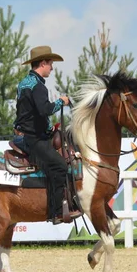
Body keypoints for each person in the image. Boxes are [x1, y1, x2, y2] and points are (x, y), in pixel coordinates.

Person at [13, 45, 80, 224]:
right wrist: (61, 101)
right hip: (33, 138)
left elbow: (29, 112)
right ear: (42, 63)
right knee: (60, 167)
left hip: (28, 134)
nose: (52, 67)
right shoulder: (38, 87)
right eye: (50, 64)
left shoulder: (24, 83)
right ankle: (57, 211)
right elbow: (44, 110)